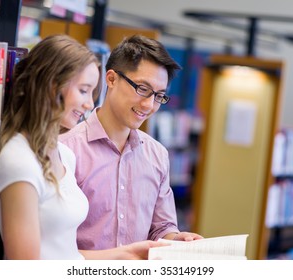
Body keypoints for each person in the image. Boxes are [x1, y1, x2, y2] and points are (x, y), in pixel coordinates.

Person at [0, 34, 165, 260]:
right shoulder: (17, 161)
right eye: (84, 90)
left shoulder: (63, 154)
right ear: (51, 86)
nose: (89, 104)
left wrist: (125, 254)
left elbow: (66, 255)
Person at [59, 34, 202, 251]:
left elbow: (162, 227)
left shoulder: (157, 155)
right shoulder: (66, 149)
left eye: (159, 96)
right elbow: (55, 247)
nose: (148, 105)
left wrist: (176, 240)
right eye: (142, 89)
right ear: (112, 79)